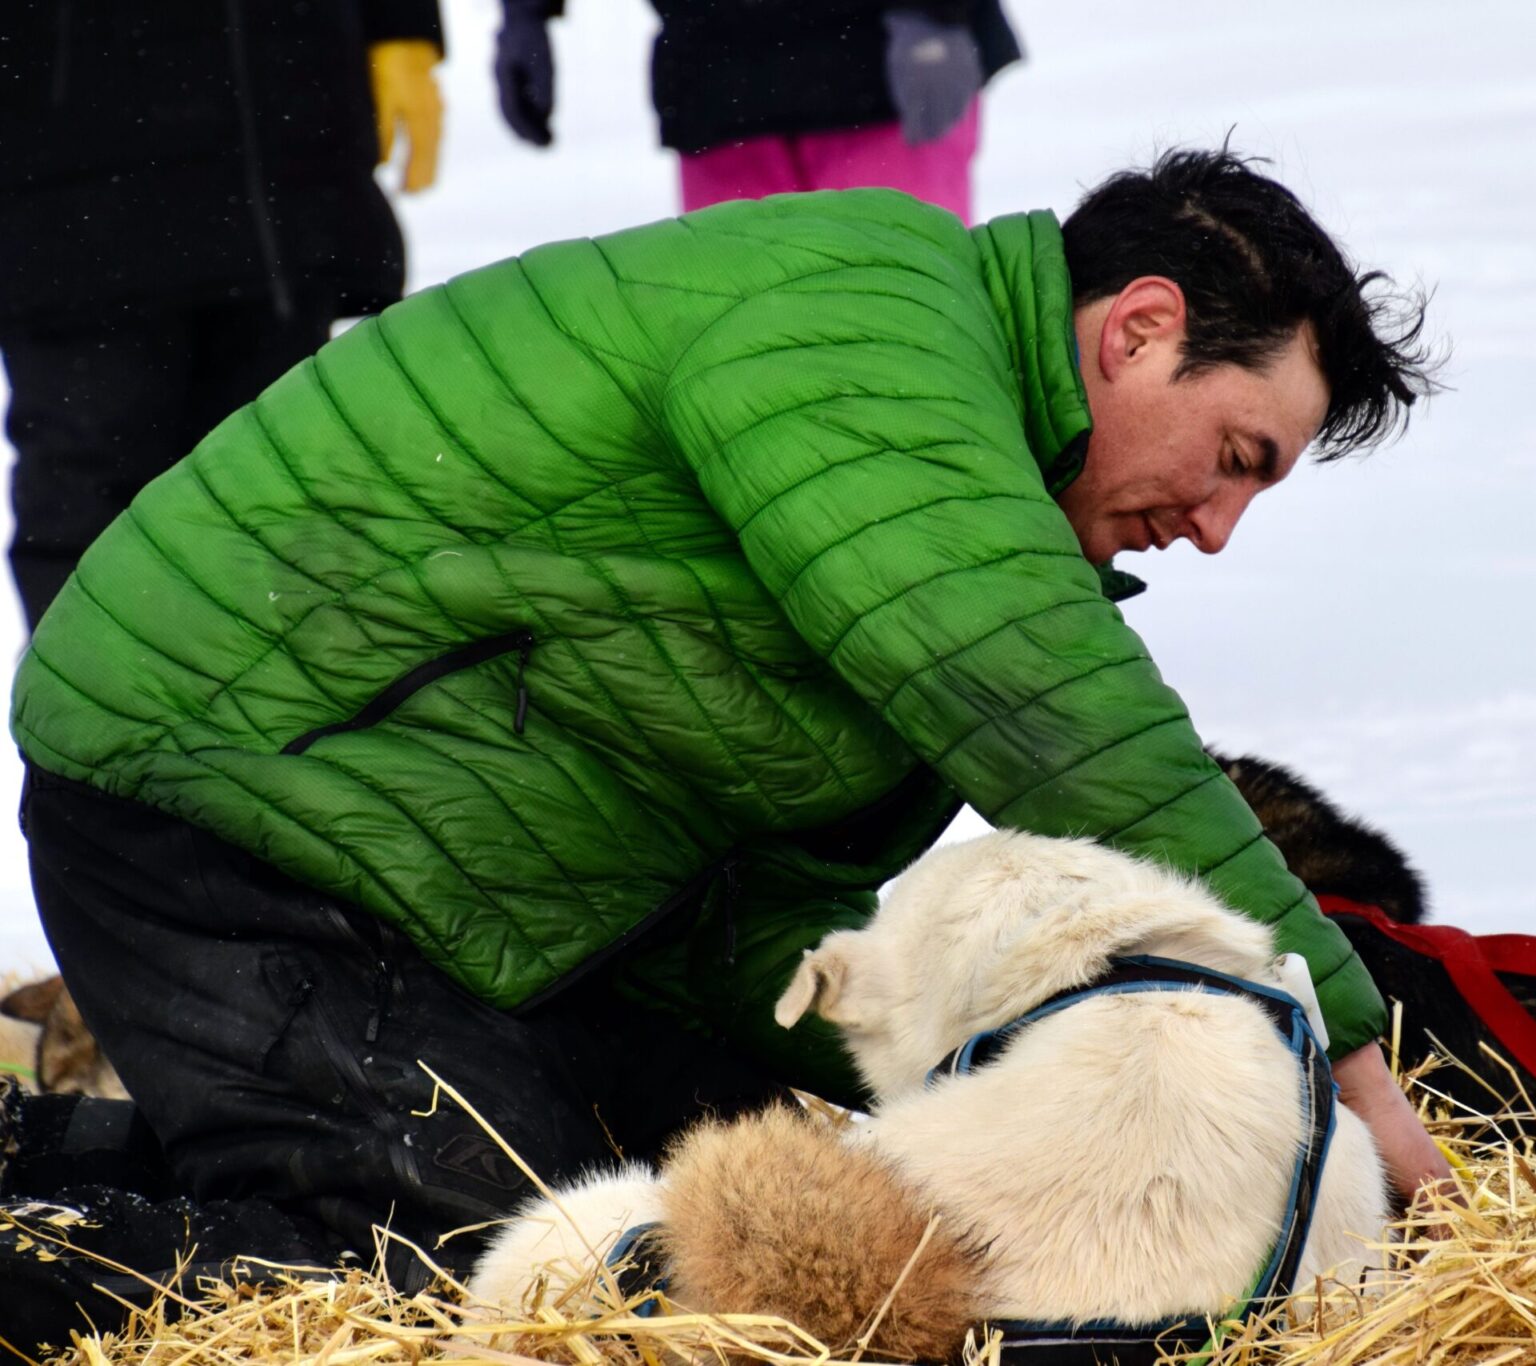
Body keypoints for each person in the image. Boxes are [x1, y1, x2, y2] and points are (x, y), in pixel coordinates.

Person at [1, 150, 1443, 1345]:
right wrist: (1349, 1056)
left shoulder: (957, 446)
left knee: (702, 1241)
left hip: (446, 873)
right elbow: (1050, 710)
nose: (1215, 524)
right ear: (1136, 329)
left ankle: (47, 1152)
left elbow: (746, 900)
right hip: (229, 795)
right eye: (1237, 454)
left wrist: (937, 1093)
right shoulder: (876, 334)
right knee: (487, 1293)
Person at [0, 0, 446, 632]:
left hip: (279, 142)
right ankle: (103, 722)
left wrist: (400, 29)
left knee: (281, 488)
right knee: (96, 486)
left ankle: (285, 723)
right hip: (67, 167)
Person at [492, 0, 1018, 219]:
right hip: (717, 82)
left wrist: (936, 14)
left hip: (882, 71)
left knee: (905, 314)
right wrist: (525, 16)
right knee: (749, 330)